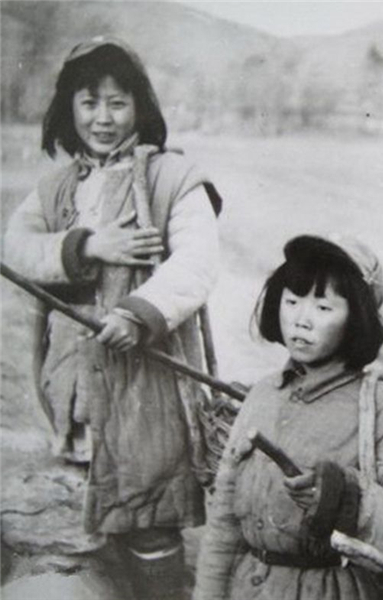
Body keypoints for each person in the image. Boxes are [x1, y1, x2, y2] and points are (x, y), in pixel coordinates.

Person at [3, 36, 222, 599]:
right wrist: (87, 245)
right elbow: (14, 249)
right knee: (91, 505)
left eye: (117, 102)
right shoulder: (57, 188)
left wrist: (138, 312)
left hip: (147, 383)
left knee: (149, 511)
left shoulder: (172, 178)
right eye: (89, 102)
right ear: (68, 109)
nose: (102, 118)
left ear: (140, 107)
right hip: (76, 383)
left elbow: (197, 263)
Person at [193, 234, 383, 600]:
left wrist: (347, 500)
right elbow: (224, 527)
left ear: (356, 320)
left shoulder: (382, 409)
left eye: (323, 308)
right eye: (292, 301)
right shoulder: (262, 396)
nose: (301, 320)